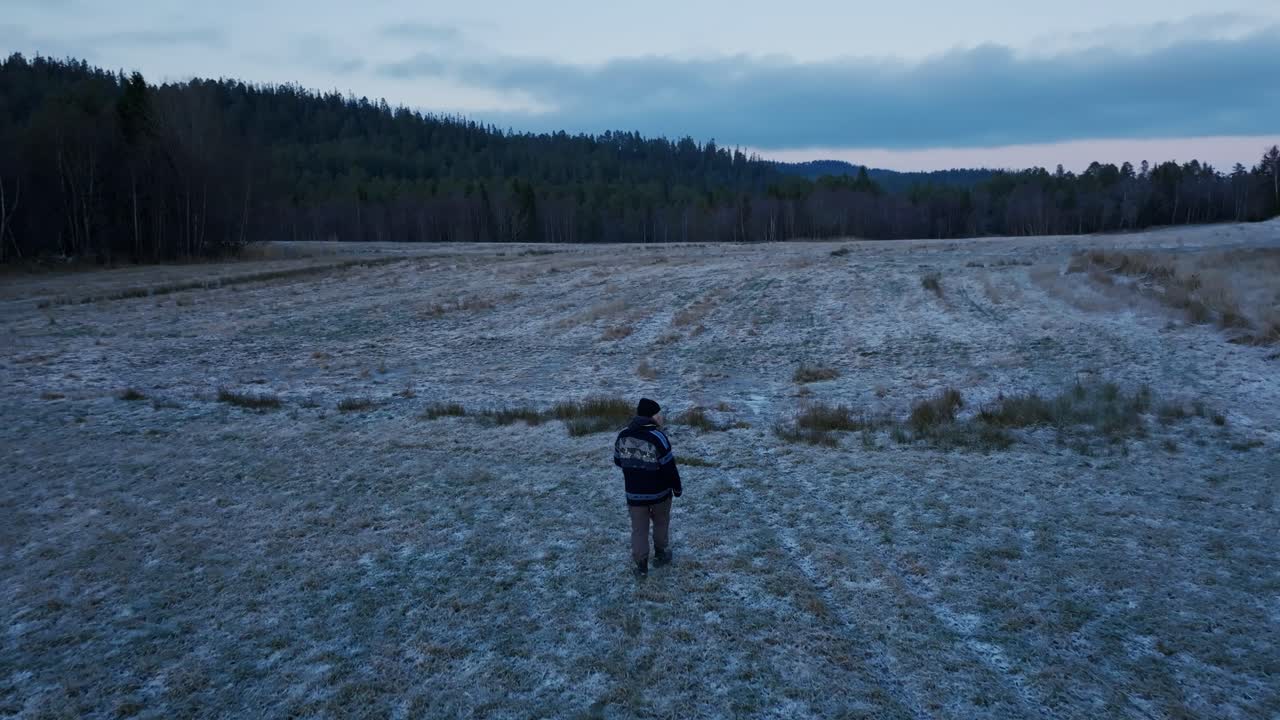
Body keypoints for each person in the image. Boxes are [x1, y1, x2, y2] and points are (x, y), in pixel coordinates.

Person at [613, 397, 682, 578]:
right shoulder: (658, 437)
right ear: (652, 416)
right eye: (659, 414)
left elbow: (618, 460)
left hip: (634, 495)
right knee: (661, 523)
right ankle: (660, 554)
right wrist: (677, 487)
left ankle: (641, 566)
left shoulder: (623, 435)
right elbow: (669, 467)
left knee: (639, 529)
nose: (661, 417)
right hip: (659, 493)